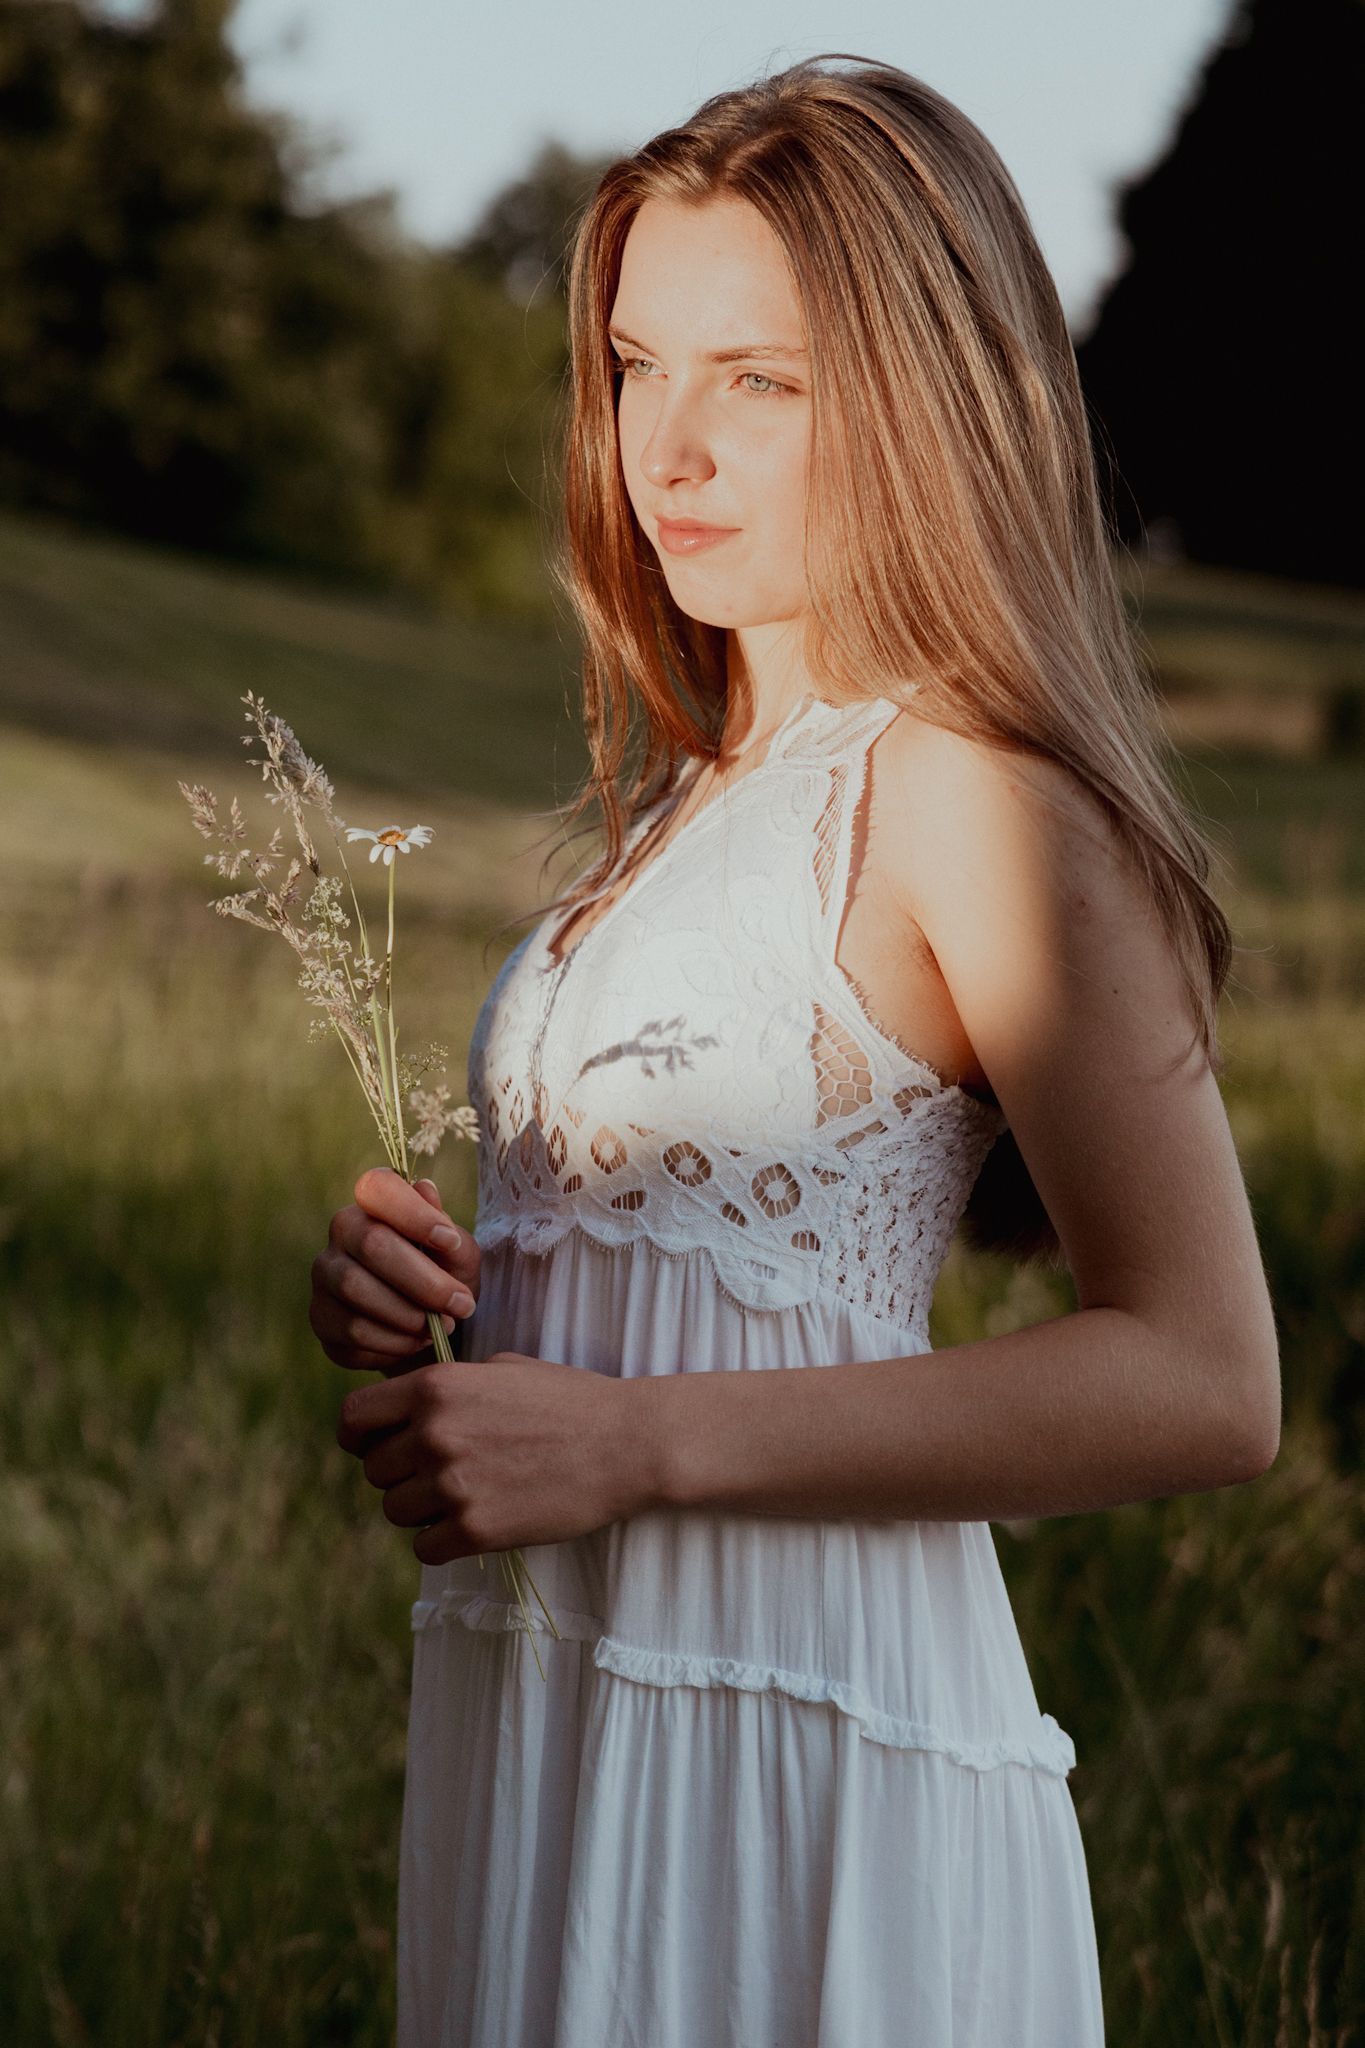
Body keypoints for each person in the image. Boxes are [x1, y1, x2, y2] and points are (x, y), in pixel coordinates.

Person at [308, 53, 1281, 2048]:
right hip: (565, 1716)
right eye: (637, 363)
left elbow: (1205, 1379)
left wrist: (634, 1442)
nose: (669, 446)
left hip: (796, 1755)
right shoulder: (689, 801)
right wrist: (433, 1289)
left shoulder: (971, 791)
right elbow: (679, 1262)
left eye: (760, 380)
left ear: (925, 399)